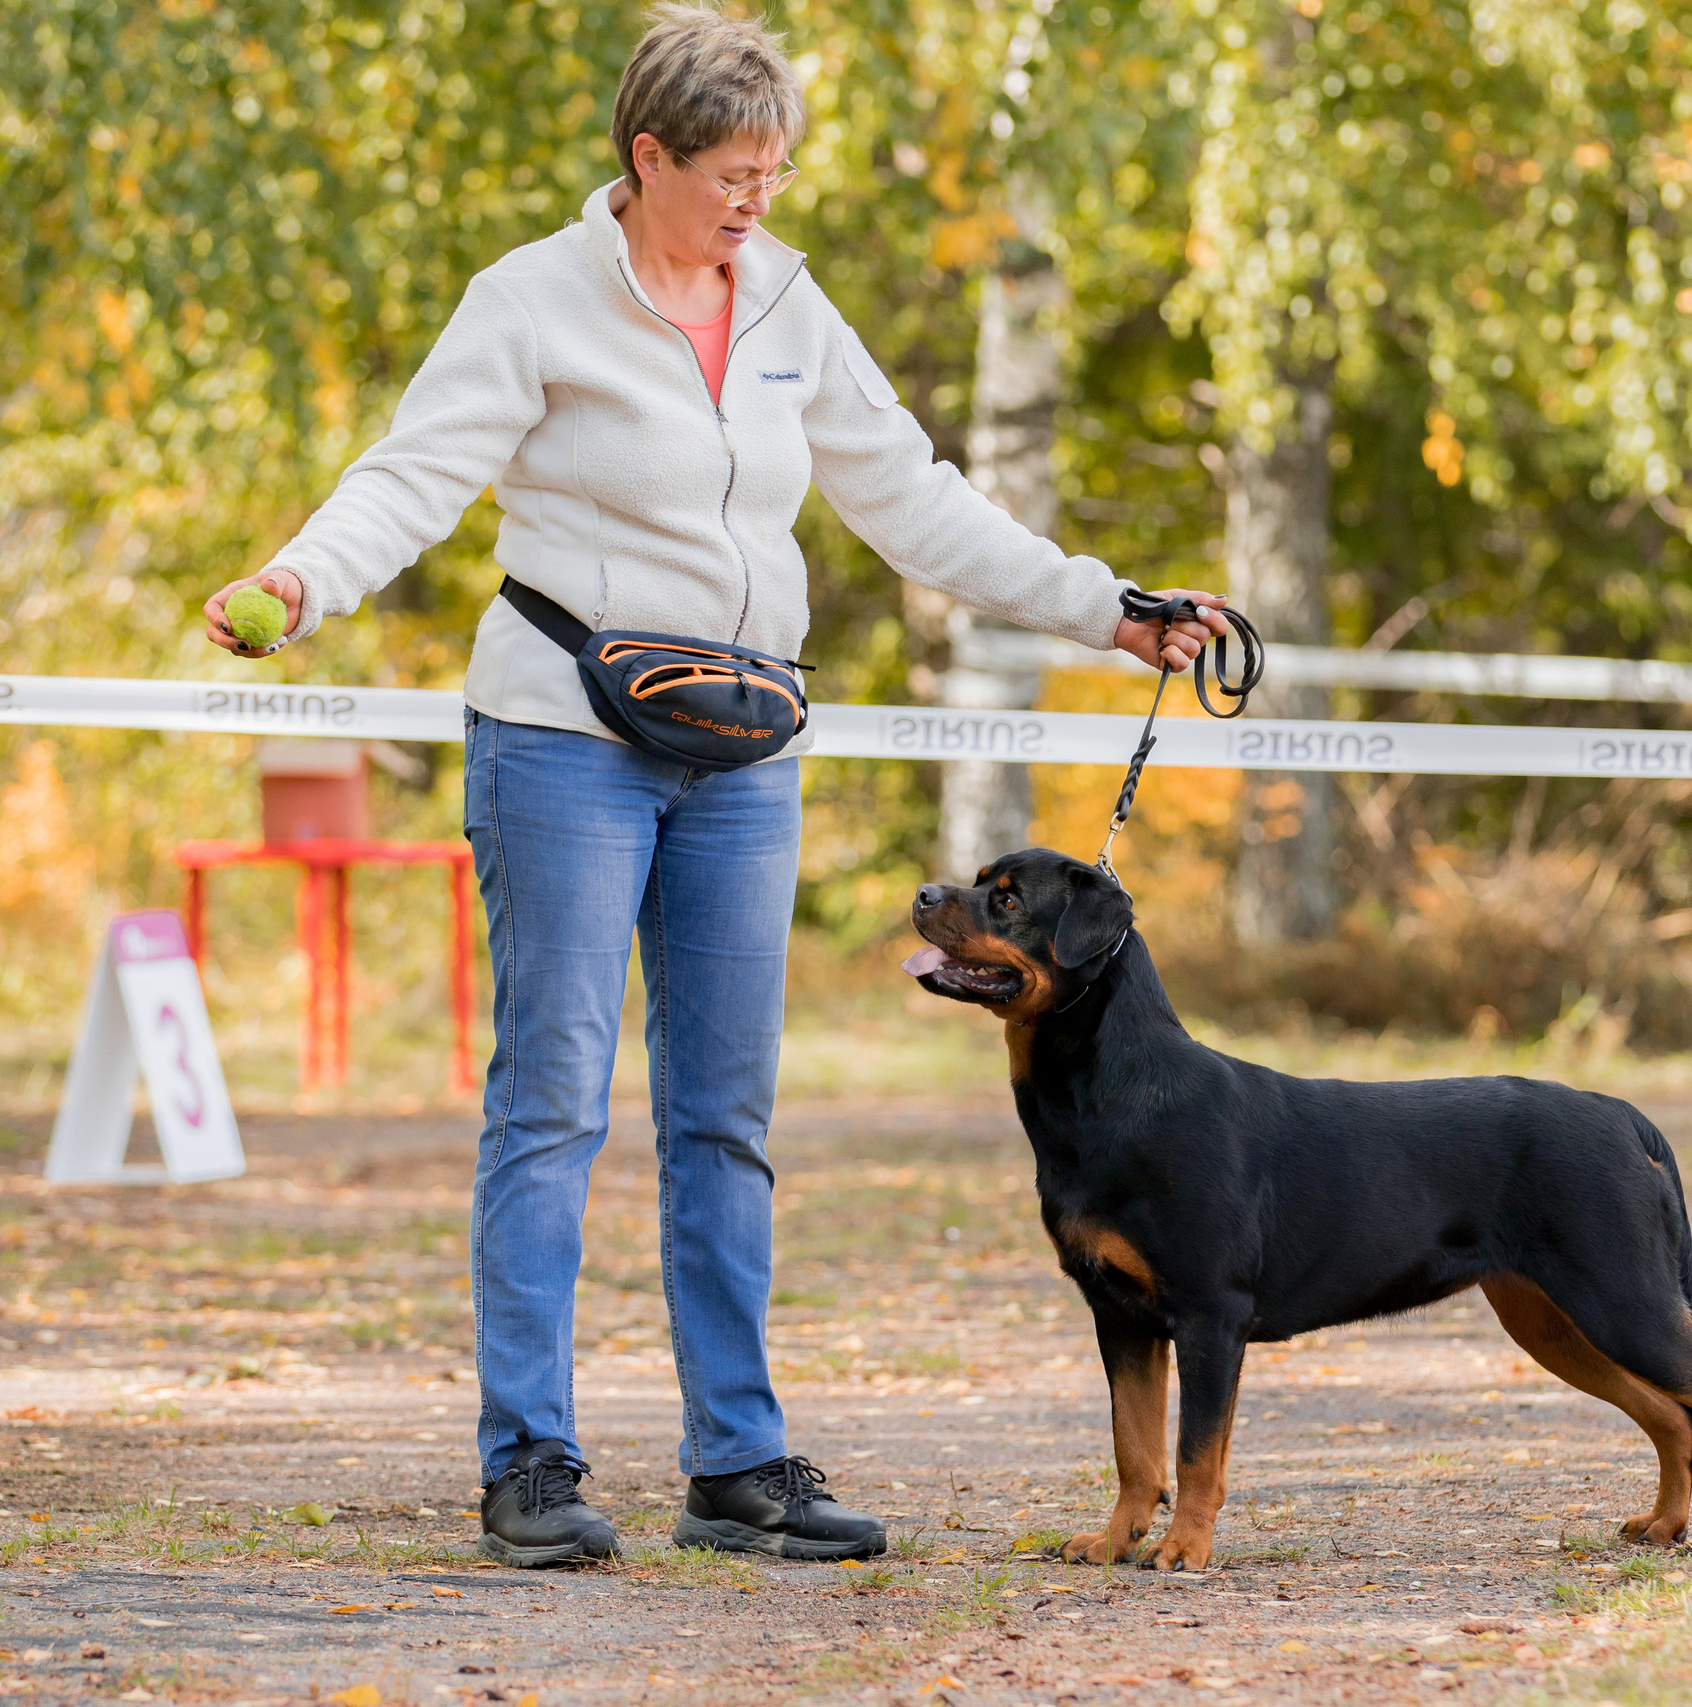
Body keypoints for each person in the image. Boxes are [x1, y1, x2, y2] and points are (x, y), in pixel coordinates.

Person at [200, 4, 1227, 1567]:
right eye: (734, 171)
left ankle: (736, 1467)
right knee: (550, 1102)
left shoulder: (792, 305)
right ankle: (529, 1466)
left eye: (776, 170)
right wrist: (296, 581)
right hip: (564, 734)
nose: (758, 198)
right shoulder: (534, 298)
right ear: (648, 157)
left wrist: (1108, 608)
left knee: (725, 1118)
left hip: (745, 753)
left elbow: (917, 502)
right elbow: (412, 475)